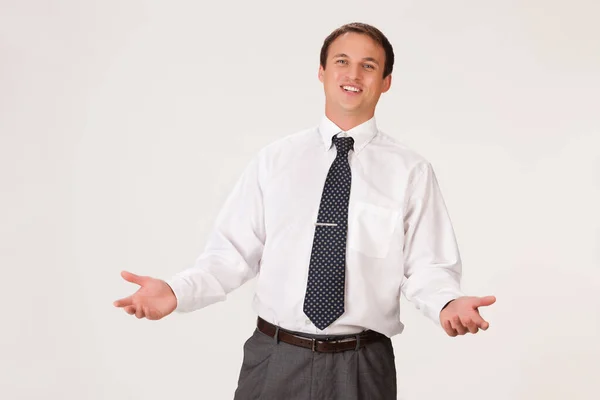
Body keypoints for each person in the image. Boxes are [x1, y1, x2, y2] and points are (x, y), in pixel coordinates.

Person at [113, 22, 496, 399]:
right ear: (322, 72)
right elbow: (230, 254)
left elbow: (427, 265)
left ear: (386, 81)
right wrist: (177, 291)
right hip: (275, 357)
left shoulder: (409, 171)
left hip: (362, 367)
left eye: (368, 65)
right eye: (342, 61)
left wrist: (448, 302)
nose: (353, 74)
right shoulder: (275, 161)